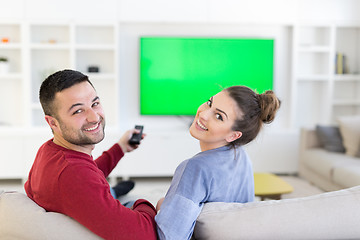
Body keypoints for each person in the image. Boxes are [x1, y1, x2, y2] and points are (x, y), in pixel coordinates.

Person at [24, 69, 157, 240]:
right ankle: (113, 192)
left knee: (108, 190)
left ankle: (113, 191)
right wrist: (146, 203)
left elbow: (90, 173)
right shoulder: (74, 175)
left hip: (82, 201)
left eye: (95, 104)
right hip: (89, 204)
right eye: (78, 111)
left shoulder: (50, 150)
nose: (94, 117)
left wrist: (121, 147)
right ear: (52, 122)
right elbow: (145, 234)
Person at [155, 85, 281, 240]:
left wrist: (161, 206)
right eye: (209, 103)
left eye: (219, 116)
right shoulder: (242, 157)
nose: (204, 114)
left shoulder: (195, 168)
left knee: (134, 205)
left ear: (234, 135)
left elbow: (168, 235)